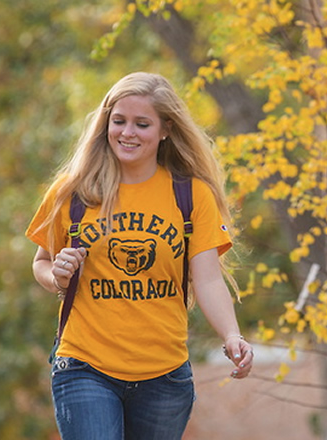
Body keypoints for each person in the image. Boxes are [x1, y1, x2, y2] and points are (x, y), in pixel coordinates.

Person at [26, 72, 254, 440]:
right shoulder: (74, 192)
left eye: (141, 124)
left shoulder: (191, 196)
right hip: (85, 364)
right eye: (119, 121)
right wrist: (58, 275)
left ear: (165, 129)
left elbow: (208, 278)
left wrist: (231, 335)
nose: (127, 133)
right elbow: (41, 262)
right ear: (106, 123)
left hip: (164, 375)